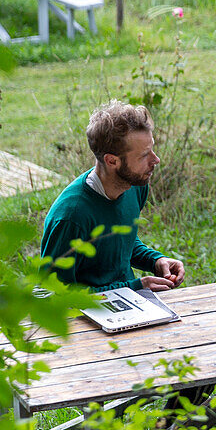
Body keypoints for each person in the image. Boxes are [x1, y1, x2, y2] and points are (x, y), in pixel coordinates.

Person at [40, 100, 185, 292]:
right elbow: (52, 294)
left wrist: (155, 260)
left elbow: (120, 242)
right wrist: (133, 287)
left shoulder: (135, 186)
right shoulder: (71, 217)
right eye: (144, 155)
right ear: (112, 161)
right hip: (83, 317)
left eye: (152, 149)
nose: (156, 159)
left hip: (130, 306)